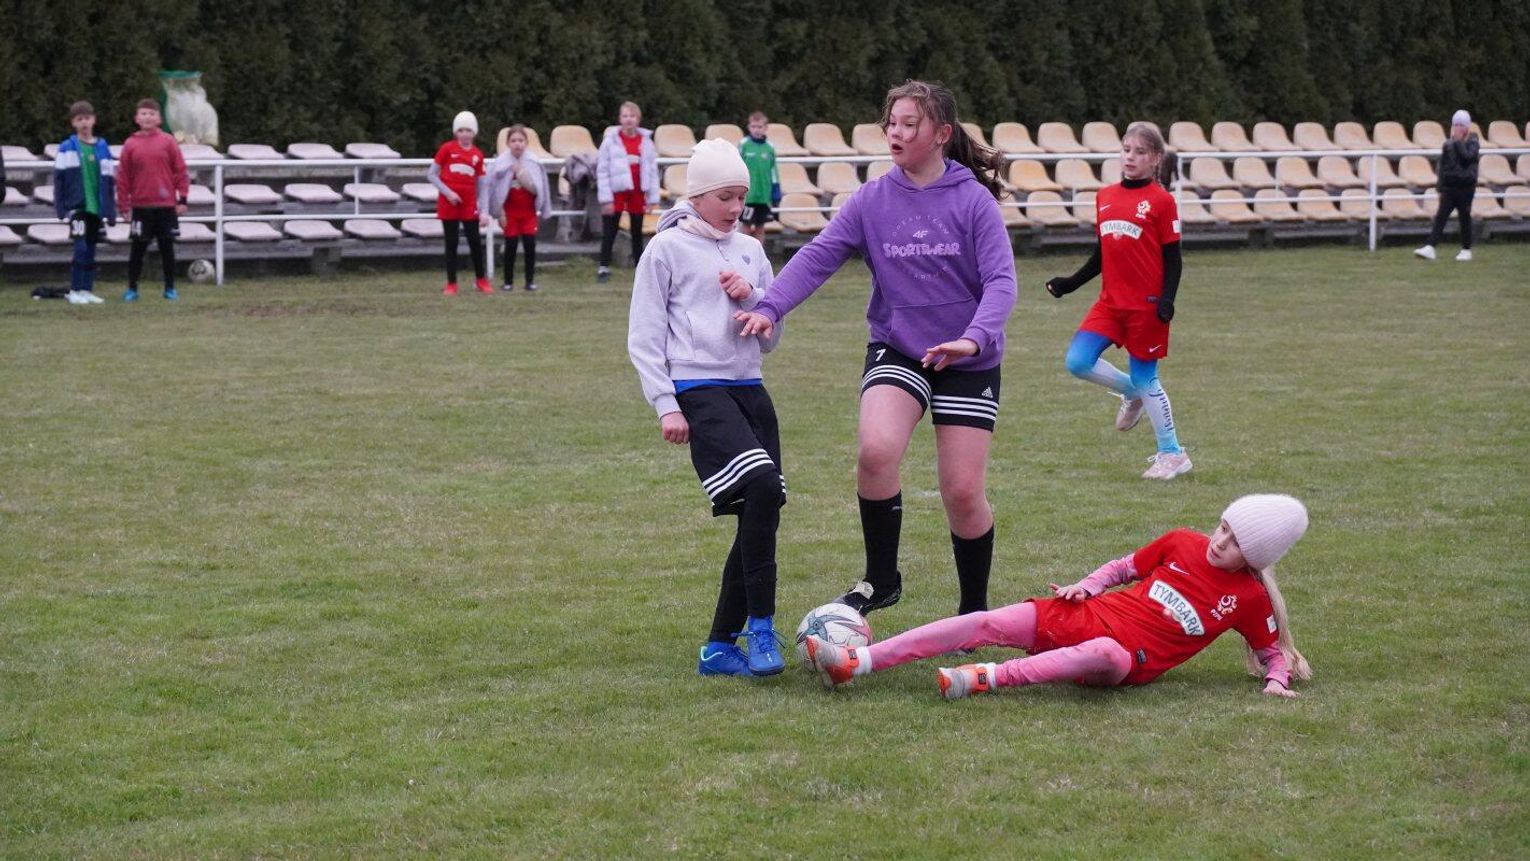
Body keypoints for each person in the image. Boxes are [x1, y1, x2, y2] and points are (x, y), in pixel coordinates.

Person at [735, 80, 1016, 618]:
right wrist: (770, 307)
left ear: (942, 134)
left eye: (910, 124)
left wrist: (972, 338)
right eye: (892, 123)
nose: (896, 132)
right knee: (876, 451)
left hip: (968, 359)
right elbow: (818, 256)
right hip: (900, 349)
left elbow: (1002, 282)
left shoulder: (973, 201)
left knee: (962, 492)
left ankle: (974, 612)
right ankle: (881, 580)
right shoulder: (872, 200)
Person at [805, 494, 1311, 701]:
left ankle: (985, 678)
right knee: (982, 621)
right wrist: (1087, 586)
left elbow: (1272, 651)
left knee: (1104, 652)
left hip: (1126, 659)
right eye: (1223, 527)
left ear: (1256, 556)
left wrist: (1276, 681)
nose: (1220, 542)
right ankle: (855, 662)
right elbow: (1124, 568)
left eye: (1236, 543)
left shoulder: (1249, 599)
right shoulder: (1182, 541)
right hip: (1088, 613)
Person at [627, 139, 785, 677]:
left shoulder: (751, 251)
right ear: (696, 195)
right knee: (761, 487)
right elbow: (644, 335)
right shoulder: (665, 250)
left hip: (751, 391)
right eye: (725, 196)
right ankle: (761, 626)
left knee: (761, 509)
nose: (736, 207)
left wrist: (753, 298)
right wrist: (665, 405)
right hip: (699, 390)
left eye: (742, 196)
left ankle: (719, 648)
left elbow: (771, 337)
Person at [1045, 123, 1189, 480]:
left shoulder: (1162, 201)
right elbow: (1102, 255)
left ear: (1156, 158)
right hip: (1110, 305)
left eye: (1140, 152)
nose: (1131, 157)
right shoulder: (1105, 196)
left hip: (1146, 307)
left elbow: (1174, 259)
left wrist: (1167, 300)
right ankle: (1132, 393)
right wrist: (1070, 284)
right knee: (1077, 361)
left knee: (1147, 378)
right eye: (1126, 150)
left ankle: (1173, 454)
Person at [116, 98, 188, 302]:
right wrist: (124, 205)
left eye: (152, 114)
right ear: (136, 118)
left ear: (159, 118)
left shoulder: (168, 141)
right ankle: (132, 289)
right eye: (144, 114)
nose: (147, 117)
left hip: (165, 206)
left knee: (167, 248)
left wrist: (182, 198)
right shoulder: (130, 144)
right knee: (137, 249)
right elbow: (123, 177)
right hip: (141, 206)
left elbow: (180, 170)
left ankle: (170, 288)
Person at [53, 101, 116, 305]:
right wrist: (60, 206)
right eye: (79, 119)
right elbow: (59, 179)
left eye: (87, 118)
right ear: (73, 123)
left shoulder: (102, 147)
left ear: (94, 120)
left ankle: (86, 289)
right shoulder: (67, 148)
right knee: (80, 248)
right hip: (78, 207)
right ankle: (74, 290)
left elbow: (109, 180)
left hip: (95, 208)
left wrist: (111, 210)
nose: (84, 123)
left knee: (91, 249)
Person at [596, 101, 659, 282]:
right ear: (620, 119)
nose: (628, 119)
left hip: (638, 192)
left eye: (632, 116)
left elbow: (652, 170)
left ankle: (641, 269)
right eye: (625, 116)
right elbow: (602, 170)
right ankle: (603, 267)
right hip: (616, 192)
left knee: (637, 231)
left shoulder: (646, 142)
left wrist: (652, 197)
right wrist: (606, 199)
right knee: (610, 230)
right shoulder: (610, 141)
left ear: (638, 119)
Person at [430, 111, 491, 295]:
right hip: (448, 203)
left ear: (474, 133)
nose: (464, 134)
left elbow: (483, 185)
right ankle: (451, 283)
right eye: (461, 130)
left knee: (474, 241)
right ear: (456, 132)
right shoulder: (447, 149)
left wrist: (484, 211)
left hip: (469, 204)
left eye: (468, 130)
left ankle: (481, 280)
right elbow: (431, 174)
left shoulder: (477, 155)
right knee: (451, 243)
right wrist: (448, 193)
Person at [488, 124, 550, 292]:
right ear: (508, 143)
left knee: (530, 245)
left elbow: (538, 188)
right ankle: (508, 282)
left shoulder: (533, 162)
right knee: (511, 246)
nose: (517, 144)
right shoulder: (500, 163)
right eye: (514, 140)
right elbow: (495, 190)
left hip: (528, 212)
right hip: (510, 213)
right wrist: (500, 213)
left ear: (526, 142)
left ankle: (530, 281)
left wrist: (521, 174)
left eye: (521, 140)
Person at [1415, 109, 1481, 263]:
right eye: (1455, 125)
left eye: (1461, 125)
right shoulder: (1448, 144)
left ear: (1467, 127)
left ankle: (1466, 249)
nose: (1457, 128)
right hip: (1450, 187)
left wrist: (1458, 142)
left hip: (1466, 187)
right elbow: (1442, 166)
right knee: (1441, 217)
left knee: (1464, 218)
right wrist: (1440, 186)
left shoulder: (1473, 142)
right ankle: (1430, 247)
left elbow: (1467, 158)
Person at [739, 111, 781, 242]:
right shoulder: (744, 144)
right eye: (753, 126)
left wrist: (776, 190)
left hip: (763, 196)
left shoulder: (770, 147)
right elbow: (737, 166)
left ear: (765, 128)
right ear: (749, 127)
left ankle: (759, 253)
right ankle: (743, 253)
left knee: (760, 228)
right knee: (746, 227)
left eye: (759, 127)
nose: (756, 129)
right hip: (748, 195)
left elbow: (773, 170)